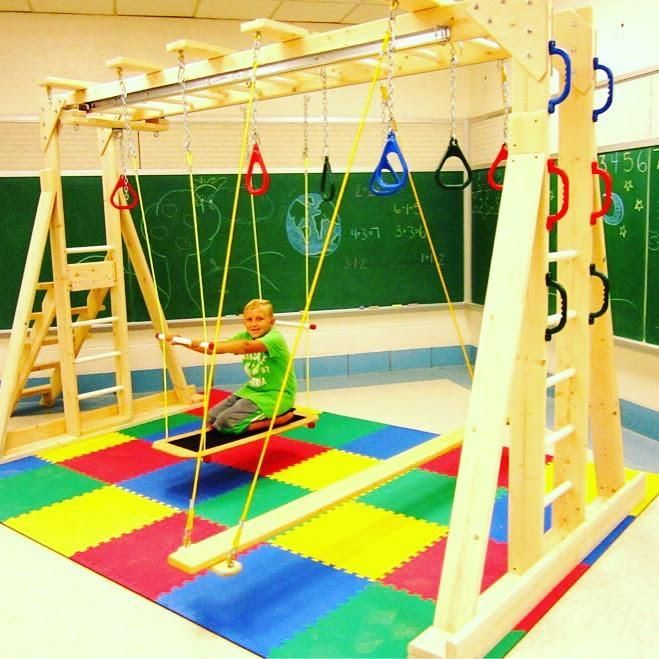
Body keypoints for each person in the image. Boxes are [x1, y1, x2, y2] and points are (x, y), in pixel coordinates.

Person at [204, 299, 297, 434]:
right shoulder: (245, 336)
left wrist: (213, 347)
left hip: (276, 395)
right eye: (249, 320)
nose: (254, 324)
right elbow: (213, 348)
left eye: (259, 319)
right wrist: (183, 342)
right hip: (251, 392)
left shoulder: (274, 338)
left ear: (272, 321)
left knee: (226, 423)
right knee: (211, 417)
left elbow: (246, 347)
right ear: (244, 322)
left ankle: (279, 420)